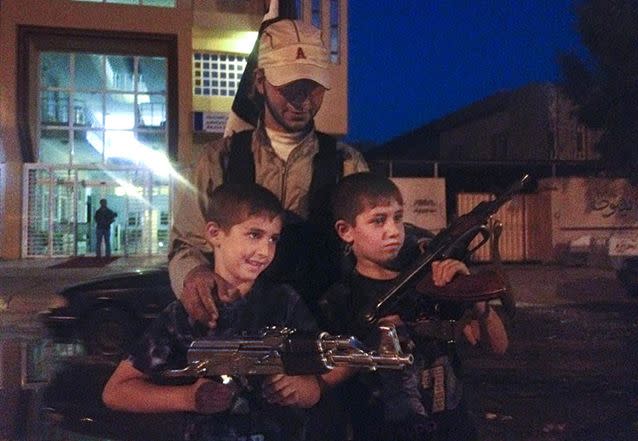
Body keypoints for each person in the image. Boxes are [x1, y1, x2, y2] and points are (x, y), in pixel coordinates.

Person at [168, 18, 368, 328]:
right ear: (260, 81)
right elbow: (186, 244)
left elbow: (373, 248)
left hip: (320, 331)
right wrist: (194, 275)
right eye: (288, 86)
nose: (302, 99)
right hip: (234, 325)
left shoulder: (347, 163)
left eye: (313, 86)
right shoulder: (217, 159)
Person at [103, 183, 325, 441]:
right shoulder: (187, 313)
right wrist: (188, 398)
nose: (265, 251)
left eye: (273, 238)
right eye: (254, 234)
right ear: (214, 233)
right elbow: (116, 391)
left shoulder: (285, 302)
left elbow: (317, 383)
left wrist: (303, 388)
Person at [318, 172, 509, 441]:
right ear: (346, 231)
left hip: (453, 430)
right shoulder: (340, 300)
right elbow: (325, 381)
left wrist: (471, 291)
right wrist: (375, 342)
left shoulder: (433, 283)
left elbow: (498, 346)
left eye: (398, 217)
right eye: (378, 220)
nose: (393, 230)